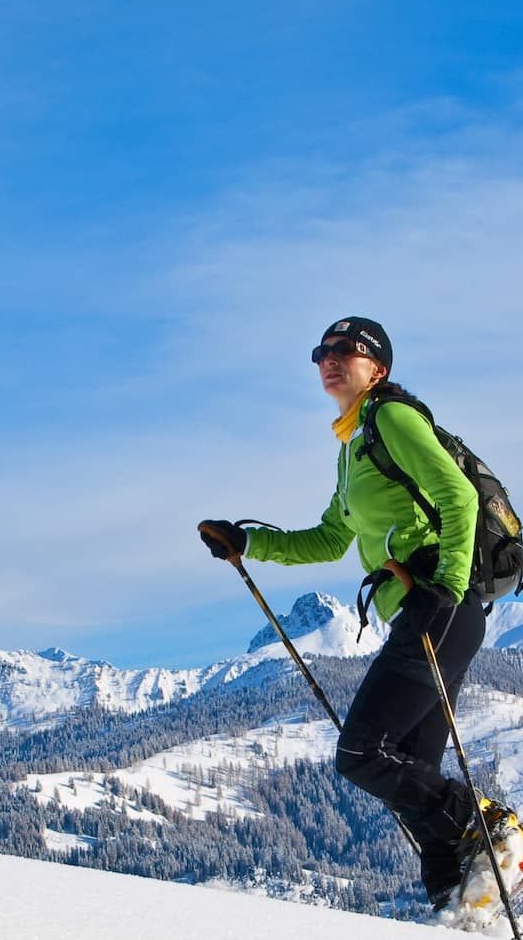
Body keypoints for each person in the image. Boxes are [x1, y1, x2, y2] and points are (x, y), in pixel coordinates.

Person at [197, 316, 497, 909]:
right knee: (411, 779)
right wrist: (249, 544)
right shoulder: (354, 444)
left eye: (346, 351)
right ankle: (460, 904)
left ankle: (486, 824)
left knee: (362, 754)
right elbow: (331, 539)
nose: (329, 359)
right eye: (321, 352)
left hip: (439, 609)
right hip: (433, 612)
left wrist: (445, 589)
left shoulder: (392, 416)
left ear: (377, 368)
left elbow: (457, 497)